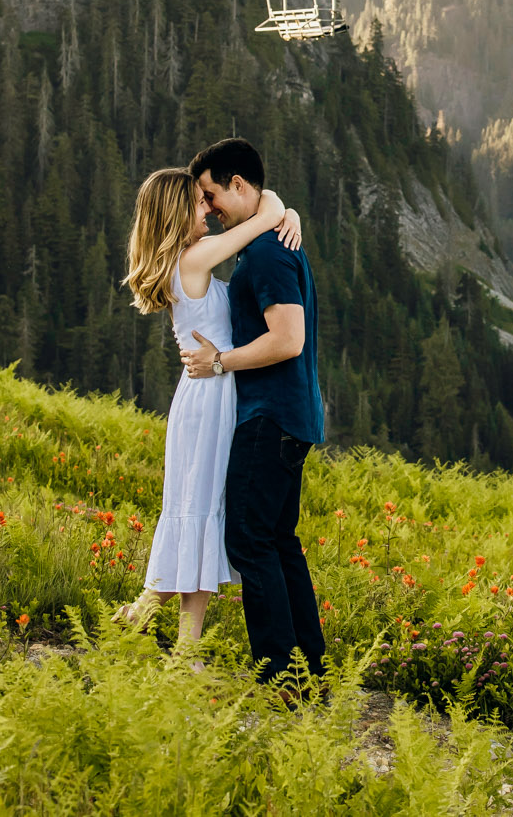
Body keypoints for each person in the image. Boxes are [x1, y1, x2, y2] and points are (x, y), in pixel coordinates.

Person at [116, 166, 302, 646]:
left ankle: (151, 618)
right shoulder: (194, 259)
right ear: (179, 212)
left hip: (209, 396)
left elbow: (263, 218)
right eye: (200, 202)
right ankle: (183, 645)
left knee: (196, 513)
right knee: (197, 514)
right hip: (209, 399)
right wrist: (285, 210)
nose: (209, 208)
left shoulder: (186, 261)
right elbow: (265, 218)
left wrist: (284, 212)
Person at [179, 137, 326, 689]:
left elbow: (287, 339)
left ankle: (280, 678)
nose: (211, 207)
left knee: (247, 539)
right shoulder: (273, 239)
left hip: (268, 415)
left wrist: (221, 362)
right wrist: (278, 209)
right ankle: (312, 671)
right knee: (278, 540)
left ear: (239, 185)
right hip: (293, 414)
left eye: (213, 194)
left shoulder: (265, 253)